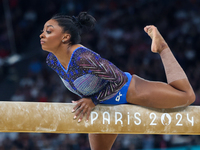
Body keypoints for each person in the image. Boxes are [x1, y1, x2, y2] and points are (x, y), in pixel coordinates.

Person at [40, 12, 195, 150]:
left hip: (127, 90)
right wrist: (93, 101)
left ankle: (162, 46)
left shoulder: (83, 57)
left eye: (48, 31)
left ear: (65, 37)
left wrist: (93, 100)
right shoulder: (52, 61)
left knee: (187, 96)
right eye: (42, 31)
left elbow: (119, 79)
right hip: (104, 105)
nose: (42, 35)